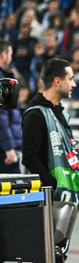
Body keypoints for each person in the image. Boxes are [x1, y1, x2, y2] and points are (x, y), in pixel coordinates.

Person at [21, 58, 79, 263]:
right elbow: (29, 157)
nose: (74, 83)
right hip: (48, 195)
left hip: (65, 194)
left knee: (58, 249)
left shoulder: (58, 112)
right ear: (57, 81)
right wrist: (49, 184)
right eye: (70, 78)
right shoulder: (35, 114)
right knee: (50, 249)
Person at [0, 40, 21, 174]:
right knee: (16, 189)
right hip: (3, 149)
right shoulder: (3, 81)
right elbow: (1, 117)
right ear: (3, 55)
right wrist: (9, 147)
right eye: (10, 54)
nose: (11, 58)